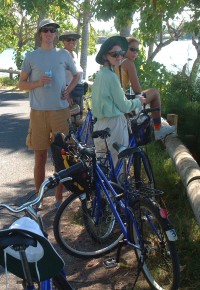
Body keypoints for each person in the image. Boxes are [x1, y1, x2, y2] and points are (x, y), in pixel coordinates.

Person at [18, 19, 80, 209]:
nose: (49, 33)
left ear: (55, 34)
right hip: (38, 113)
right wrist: (37, 83)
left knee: (61, 157)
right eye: (46, 30)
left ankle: (59, 200)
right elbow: (21, 84)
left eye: (53, 30)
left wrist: (68, 91)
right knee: (40, 158)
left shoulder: (64, 54)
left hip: (60, 112)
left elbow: (77, 74)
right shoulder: (31, 56)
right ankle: (39, 199)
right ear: (40, 33)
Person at [92, 36, 146, 166]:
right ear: (105, 56)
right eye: (114, 54)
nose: (119, 56)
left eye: (121, 53)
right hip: (114, 126)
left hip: (99, 126)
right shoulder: (111, 77)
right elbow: (124, 106)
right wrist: (139, 101)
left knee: (103, 168)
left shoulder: (99, 75)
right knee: (119, 168)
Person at [115, 36, 176, 140]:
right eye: (132, 49)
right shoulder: (128, 63)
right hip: (124, 106)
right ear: (124, 49)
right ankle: (158, 129)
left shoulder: (116, 62)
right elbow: (138, 91)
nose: (135, 53)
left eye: (137, 50)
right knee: (155, 92)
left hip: (115, 104)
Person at [59, 30, 85, 125]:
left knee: (79, 118)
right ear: (63, 41)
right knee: (71, 122)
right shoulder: (61, 55)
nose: (71, 42)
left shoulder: (74, 54)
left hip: (78, 90)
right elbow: (60, 76)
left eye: (73, 40)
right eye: (68, 39)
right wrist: (67, 95)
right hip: (69, 91)